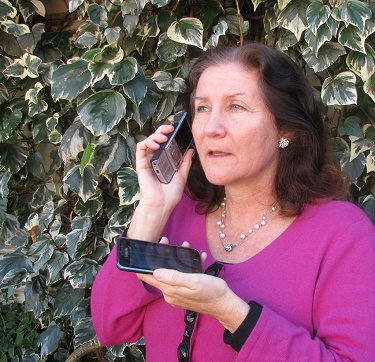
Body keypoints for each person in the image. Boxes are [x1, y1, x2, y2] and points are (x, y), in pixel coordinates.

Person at [91, 42, 375, 361]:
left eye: (236, 107)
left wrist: (230, 312)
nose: (211, 129)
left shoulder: (342, 233)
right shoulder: (177, 210)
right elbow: (109, 326)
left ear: (287, 129)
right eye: (202, 108)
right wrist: (152, 210)